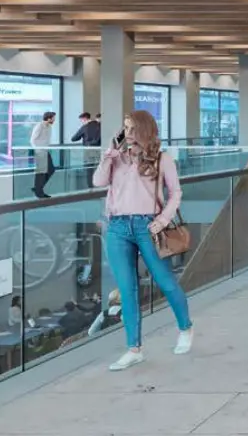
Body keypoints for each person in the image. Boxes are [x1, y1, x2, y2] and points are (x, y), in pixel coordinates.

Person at [94, 110, 193, 371]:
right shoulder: (117, 158)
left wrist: (163, 219)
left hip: (148, 226)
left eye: (132, 128)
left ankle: (185, 328)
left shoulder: (162, 159)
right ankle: (134, 349)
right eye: (125, 128)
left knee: (165, 282)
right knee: (127, 290)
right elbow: (98, 181)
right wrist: (108, 155)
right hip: (117, 227)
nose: (127, 133)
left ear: (145, 130)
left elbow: (176, 192)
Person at [30, 111, 56, 199]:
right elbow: (32, 140)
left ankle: (37, 188)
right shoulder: (39, 126)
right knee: (41, 172)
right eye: (53, 118)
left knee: (51, 170)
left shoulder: (49, 127)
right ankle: (39, 193)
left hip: (45, 151)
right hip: (40, 152)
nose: (54, 120)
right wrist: (38, 151)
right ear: (48, 118)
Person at [72, 112, 102, 184]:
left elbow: (73, 138)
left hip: (88, 151)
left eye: (81, 120)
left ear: (84, 118)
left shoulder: (85, 127)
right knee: (99, 168)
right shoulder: (100, 125)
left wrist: (83, 136)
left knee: (89, 170)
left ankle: (90, 186)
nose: (81, 122)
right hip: (99, 150)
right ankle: (99, 184)